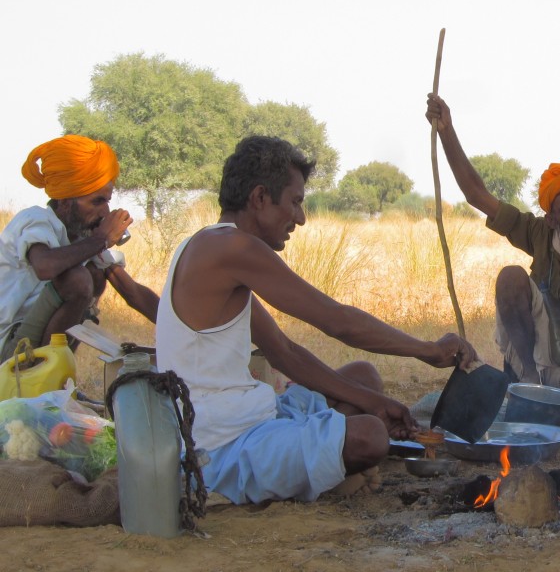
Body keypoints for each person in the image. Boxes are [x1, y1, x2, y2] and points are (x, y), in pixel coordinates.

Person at [155, 135, 478, 505]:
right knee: (370, 436)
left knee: (363, 379)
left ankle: (325, 457)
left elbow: (284, 353)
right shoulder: (232, 248)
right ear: (260, 198)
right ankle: (328, 463)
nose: (301, 218)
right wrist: (427, 350)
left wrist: (371, 400)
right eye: (294, 203)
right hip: (219, 448)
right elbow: (337, 322)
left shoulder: (213, 247)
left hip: (252, 418)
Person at [425, 93, 560, 390]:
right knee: (510, 276)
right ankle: (529, 379)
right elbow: (477, 196)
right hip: (548, 348)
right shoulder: (540, 233)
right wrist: (446, 131)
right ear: (552, 219)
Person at [0, 135, 158, 360]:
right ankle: (40, 378)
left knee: (95, 274)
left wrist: (185, 329)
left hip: (30, 344)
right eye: (97, 201)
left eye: (107, 201)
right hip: (8, 348)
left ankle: (56, 376)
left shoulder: (82, 238)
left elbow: (132, 293)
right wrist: (101, 239)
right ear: (65, 202)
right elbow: (44, 266)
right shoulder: (36, 219)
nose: (105, 212)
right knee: (78, 279)